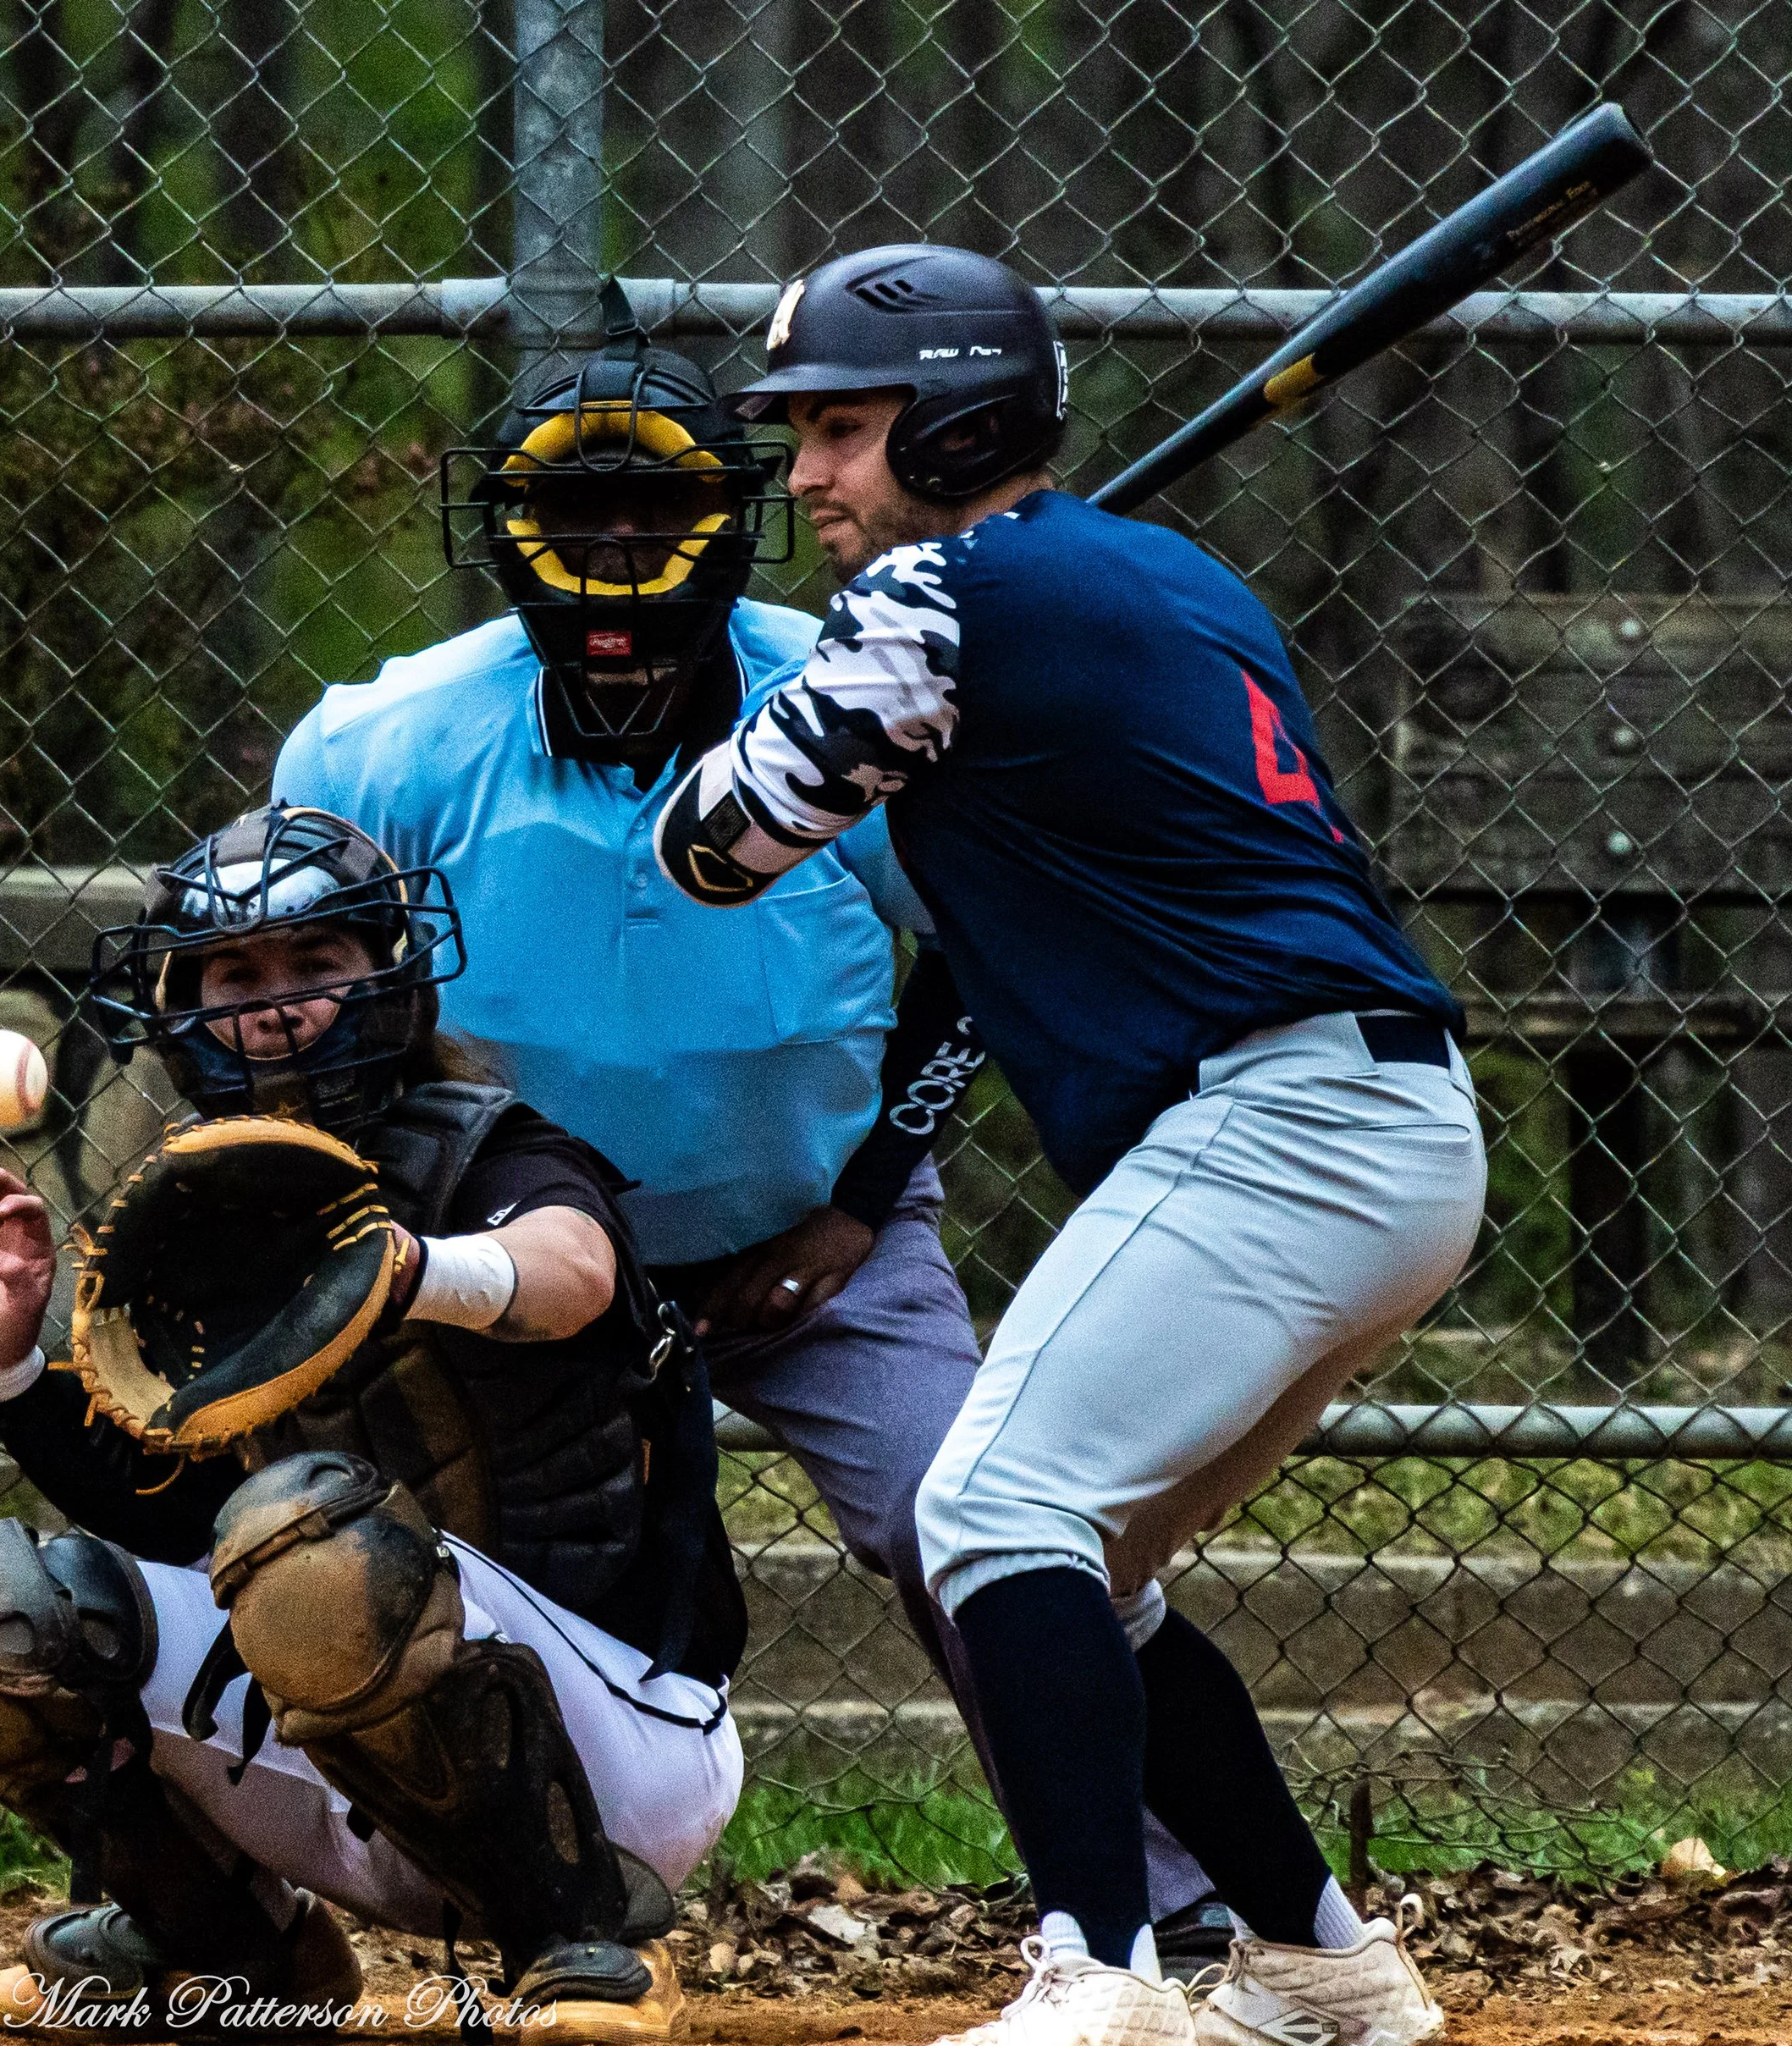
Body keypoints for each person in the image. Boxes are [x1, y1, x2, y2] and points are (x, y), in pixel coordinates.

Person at [269, 283, 1226, 1934]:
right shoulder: (388, 741)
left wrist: (862, 1200)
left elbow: (982, 959)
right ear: (506, 527)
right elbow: (299, 1009)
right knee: (299, 1542)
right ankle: (262, 1896)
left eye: (659, 505)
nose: (621, 541)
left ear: (737, 517)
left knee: (978, 1529)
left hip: (812, 1241)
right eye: (580, 508)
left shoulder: (860, 694)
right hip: (490, 1273)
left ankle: (1172, 1902)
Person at [656, 244, 1490, 2046]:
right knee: (1082, 1561)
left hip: (1277, 1121)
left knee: (988, 1515)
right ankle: (1319, 1960)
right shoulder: (1158, 578)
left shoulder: (945, 602)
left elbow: (712, 844)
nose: (805, 481)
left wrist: (887, 636)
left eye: (845, 435)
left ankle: (1093, 1983)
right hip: (1377, 1130)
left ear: (960, 425)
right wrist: (943, 612)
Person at [0, 803, 745, 2044]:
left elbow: (571, 1268)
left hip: (619, 1742)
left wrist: (410, 1271)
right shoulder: (201, 1203)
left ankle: (582, 1935)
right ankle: (229, 1947)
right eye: (236, 974)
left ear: (391, 977)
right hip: (357, 1717)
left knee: (308, 1535)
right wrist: (10, 1369)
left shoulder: (492, 1150)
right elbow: (172, 1516)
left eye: (317, 964)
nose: (274, 1003)